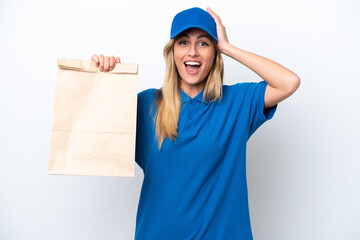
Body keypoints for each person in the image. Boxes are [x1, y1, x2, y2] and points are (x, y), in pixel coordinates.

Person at [91, 7, 300, 240]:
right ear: (172, 53)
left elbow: (288, 83)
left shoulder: (237, 102)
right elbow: (94, 135)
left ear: (214, 52)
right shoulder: (147, 104)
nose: (193, 52)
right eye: (183, 43)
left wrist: (228, 47)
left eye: (203, 44)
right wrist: (102, 78)